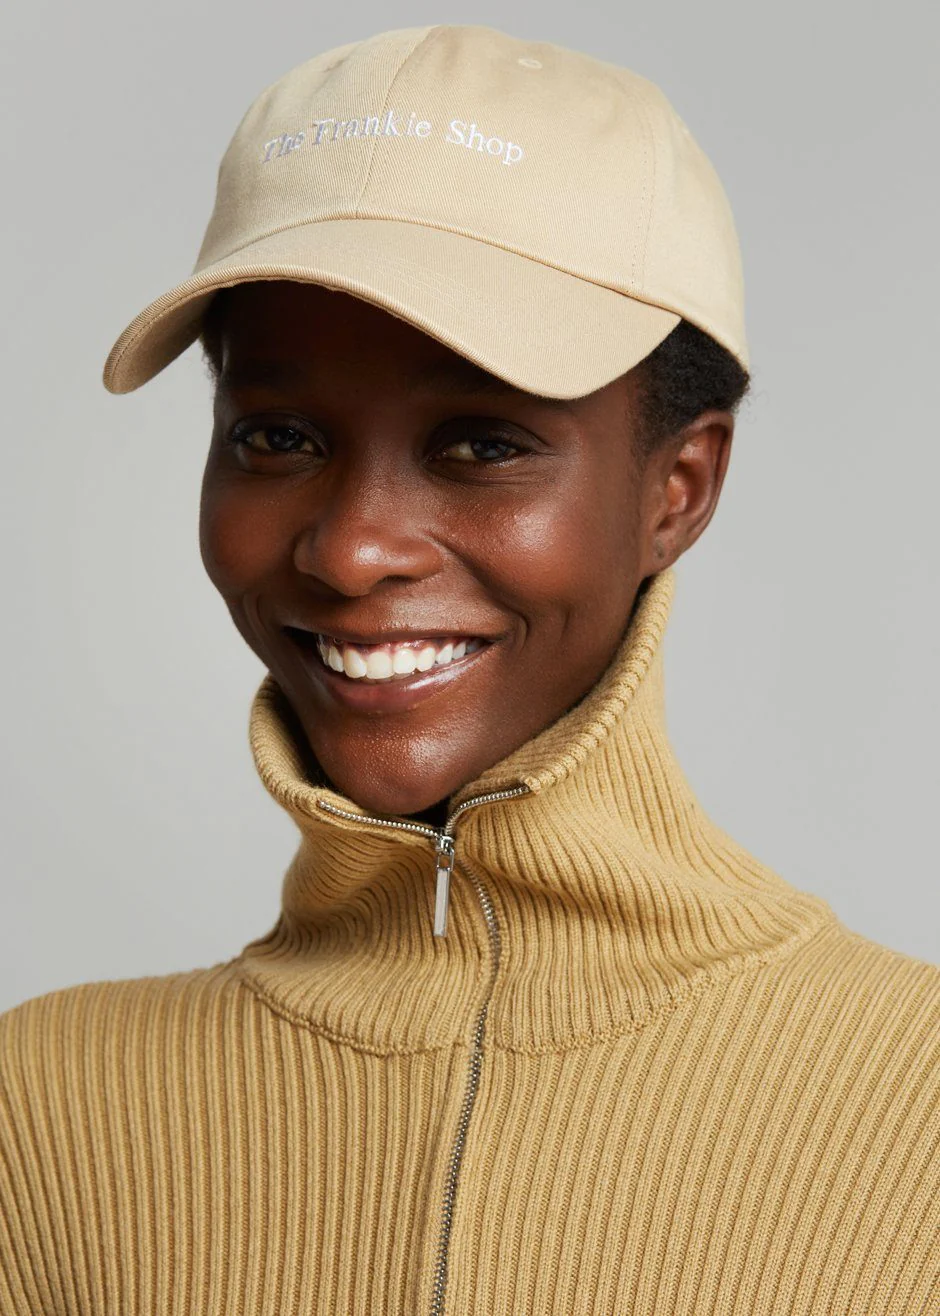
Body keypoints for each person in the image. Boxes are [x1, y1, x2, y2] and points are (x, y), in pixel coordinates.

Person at [1, 24, 937, 1316]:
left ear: (678, 487)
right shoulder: (40, 1114)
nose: (351, 549)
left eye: (482, 444)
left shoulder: (916, 1096)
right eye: (278, 436)